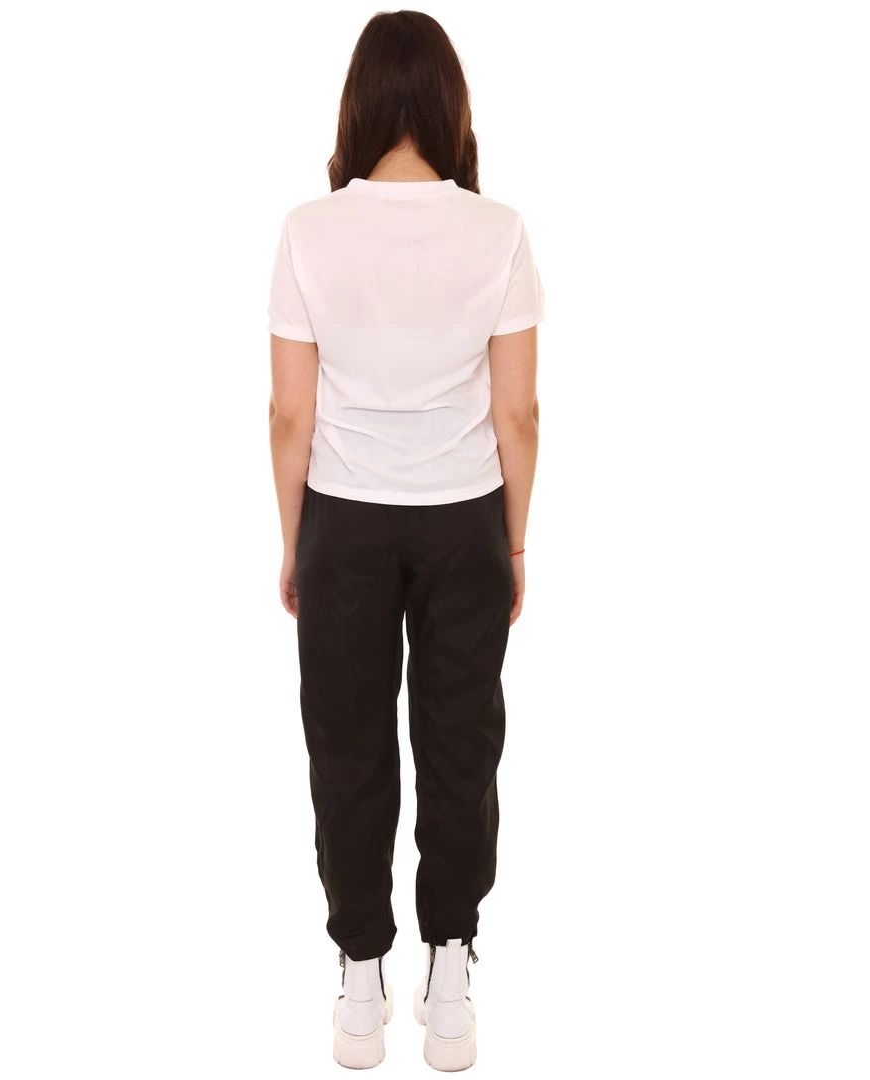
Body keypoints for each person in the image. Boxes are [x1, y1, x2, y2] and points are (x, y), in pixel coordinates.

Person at [268, 10, 544, 1071]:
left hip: (341, 518)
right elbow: (518, 414)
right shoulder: (497, 229)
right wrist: (513, 543)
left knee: (346, 747)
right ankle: (449, 976)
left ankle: (358, 980)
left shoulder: (308, 229)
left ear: (358, 103)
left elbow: (288, 415)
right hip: (465, 516)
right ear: (446, 104)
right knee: (460, 744)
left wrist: (293, 540)